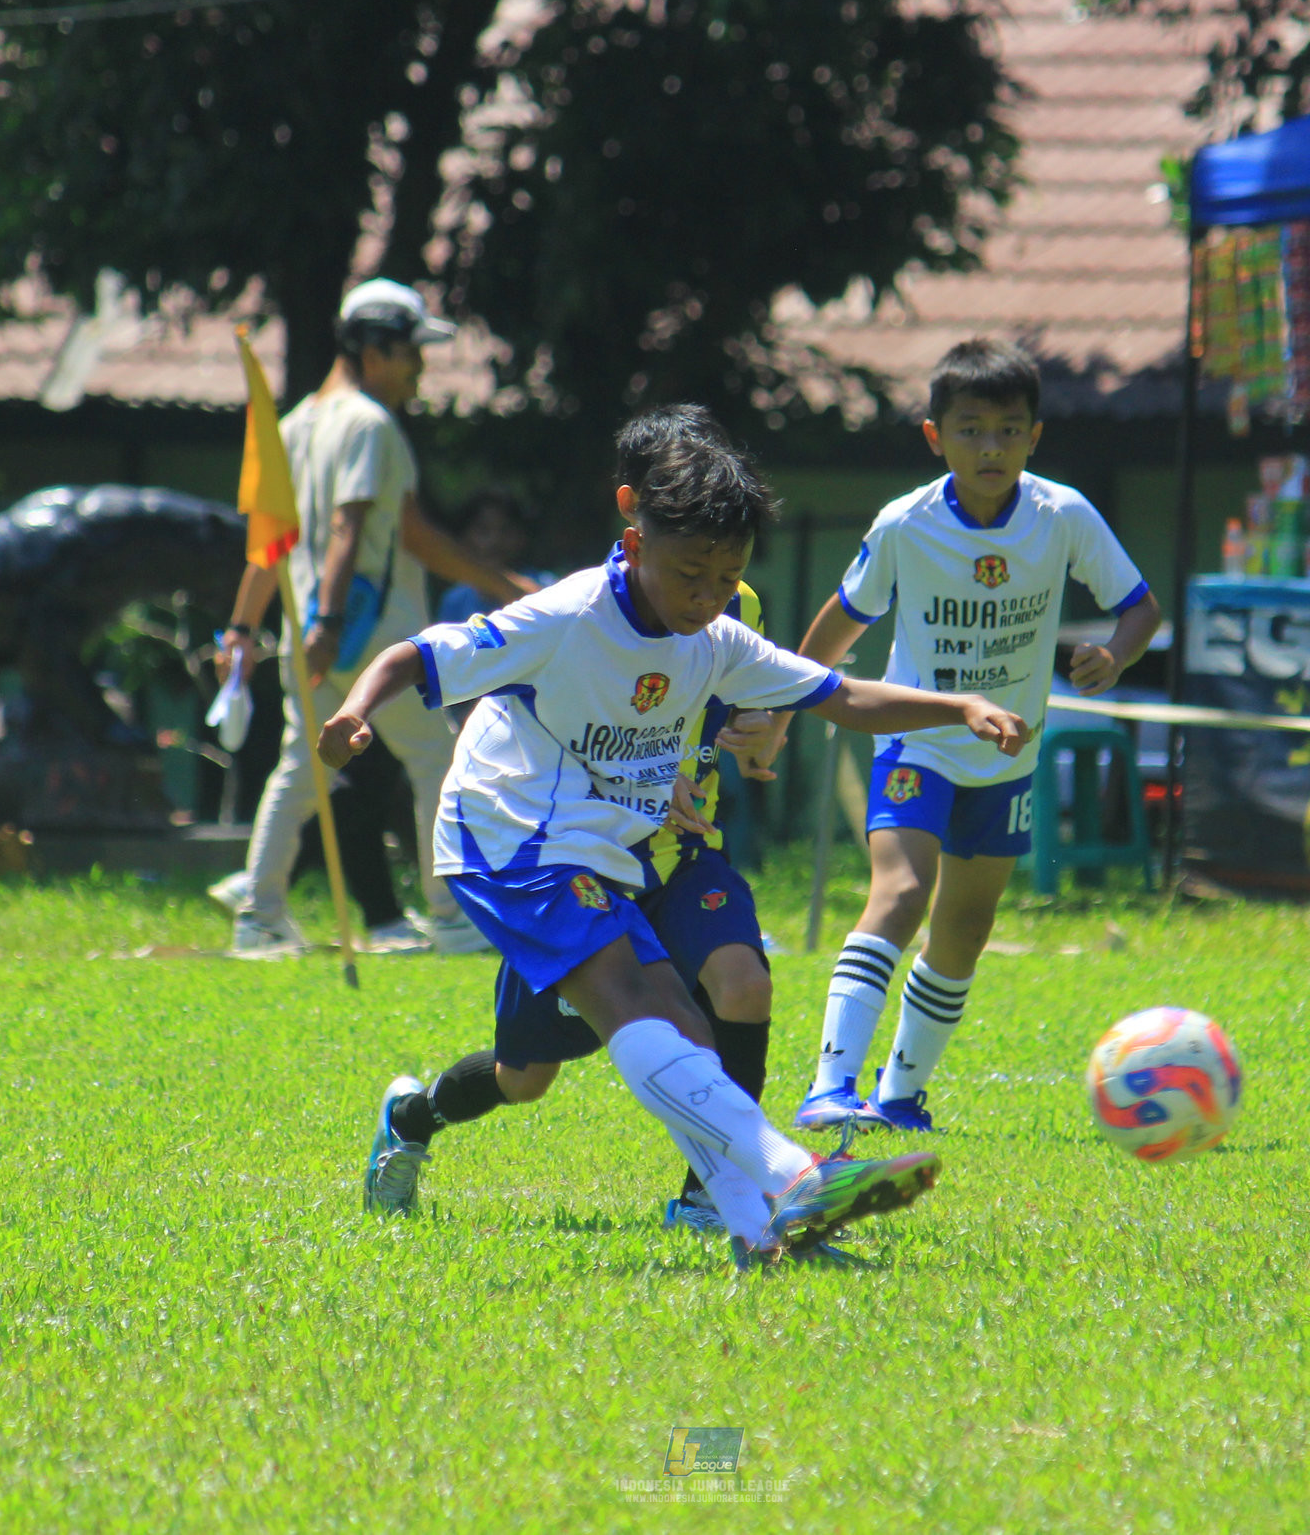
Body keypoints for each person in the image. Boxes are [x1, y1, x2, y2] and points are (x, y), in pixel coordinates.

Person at [326, 411, 1034, 1265]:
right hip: (510, 840)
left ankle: (755, 1230)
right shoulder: (567, 615)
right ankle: (790, 1177)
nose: (707, 596)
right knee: (638, 1006)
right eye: (690, 573)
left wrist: (955, 706)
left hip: (611, 851)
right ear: (634, 537)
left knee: (628, 1050)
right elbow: (417, 653)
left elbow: (838, 694)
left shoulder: (718, 637)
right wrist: (355, 710)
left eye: (726, 577)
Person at [771, 337, 1159, 1133]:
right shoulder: (905, 525)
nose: (991, 446)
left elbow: (1139, 607)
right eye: (972, 428)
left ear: (1034, 437)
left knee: (966, 925)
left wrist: (1113, 656)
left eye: (1008, 429)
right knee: (902, 892)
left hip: (1006, 753)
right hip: (916, 744)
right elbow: (839, 626)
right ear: (934, 436)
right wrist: (778, 712)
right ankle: (829, 1085)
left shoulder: (1063, 515)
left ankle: (901, 1093)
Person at [214, 279, 536, 959]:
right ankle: (450, 912)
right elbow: (347, 524)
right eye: (412, 350)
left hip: (316, 639)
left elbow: (287, 540)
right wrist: (331, 620)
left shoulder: (298, 423)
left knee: (299, 769)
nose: (421, 366)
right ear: (375, 347)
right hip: (372, 634)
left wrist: (243, 628)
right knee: (437, 761)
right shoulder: (369, 423)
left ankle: (259, 913)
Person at [434, 491, 553, 626]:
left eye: (506, 530)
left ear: (522, 536)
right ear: (464, 537)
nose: (494, 541)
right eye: (483, 531)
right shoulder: (456, 601)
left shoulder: (546, 587)